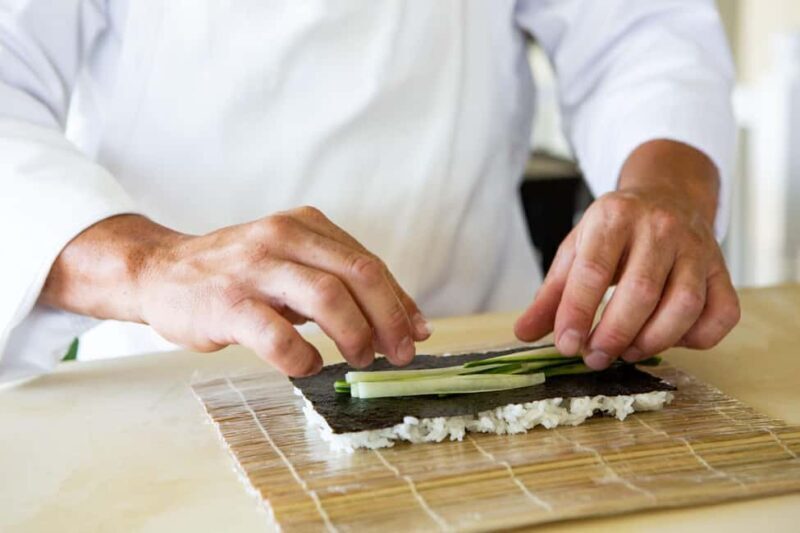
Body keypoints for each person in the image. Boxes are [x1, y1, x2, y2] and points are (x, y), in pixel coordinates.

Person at [0, 0, 740, 381]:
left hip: (487, 343)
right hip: (165, 378)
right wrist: (150, 264)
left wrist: (668, 188)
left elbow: (638, 31)